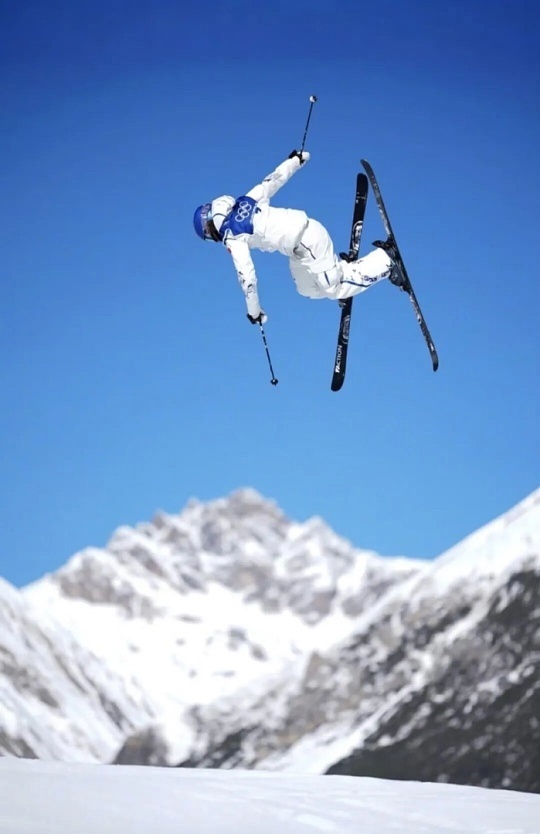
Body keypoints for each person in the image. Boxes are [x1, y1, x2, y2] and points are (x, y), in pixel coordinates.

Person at [193, 151, 396, 325]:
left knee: (333, 288)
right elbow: (273, 180)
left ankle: (387, 260)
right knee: (306, 289)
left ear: (210, 227)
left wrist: (254, 312)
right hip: (298, 249)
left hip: (309, 241)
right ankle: (340, 273)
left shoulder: (233, 236)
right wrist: (295, 161)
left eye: (209, 235)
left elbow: (247, 278)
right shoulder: (245, 201)